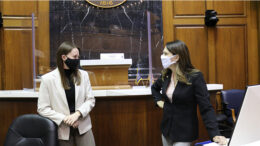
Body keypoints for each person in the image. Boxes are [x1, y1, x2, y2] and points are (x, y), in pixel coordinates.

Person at [151, 40, 227, 146]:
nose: (162, 56)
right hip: (167, 129)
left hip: (184, 132)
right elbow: (154, 88)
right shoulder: (166, 74)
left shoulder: (195, 77)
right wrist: (158, 101)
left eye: (165, 54)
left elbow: (206, 107)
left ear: (176, 57)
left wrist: (215, 134)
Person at [37, 42, 96, 146]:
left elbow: (90, 100)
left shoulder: (84, 75)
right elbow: (42, 108)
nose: (77, 59)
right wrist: (66, 119)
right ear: (64, 57)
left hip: (83, 127)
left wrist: (77, 114)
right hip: (62, 129)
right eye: (74, 57)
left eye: (78, 56)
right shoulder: (47, 79)